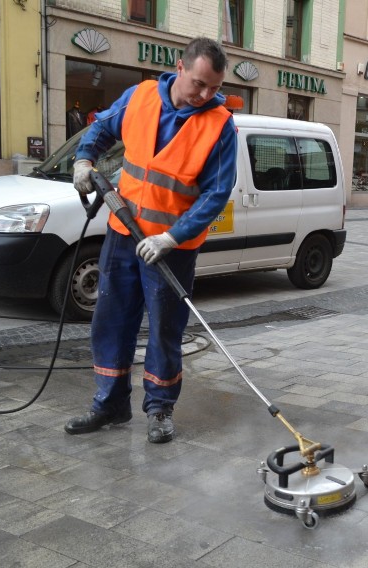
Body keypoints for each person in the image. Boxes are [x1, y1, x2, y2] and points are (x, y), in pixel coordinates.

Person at [64, 37, 238, 444]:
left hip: (170, 250)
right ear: (180, 67)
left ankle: (159, 409)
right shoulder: (139, 97)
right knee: (111, 322)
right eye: (199, 84)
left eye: (214, 88)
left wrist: (171, 237)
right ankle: (110, 404)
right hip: (123, 235)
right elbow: (103, 128)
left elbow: (216, 194)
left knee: (163, 329)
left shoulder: (219, 125)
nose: (205, 95)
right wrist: (85, 159)